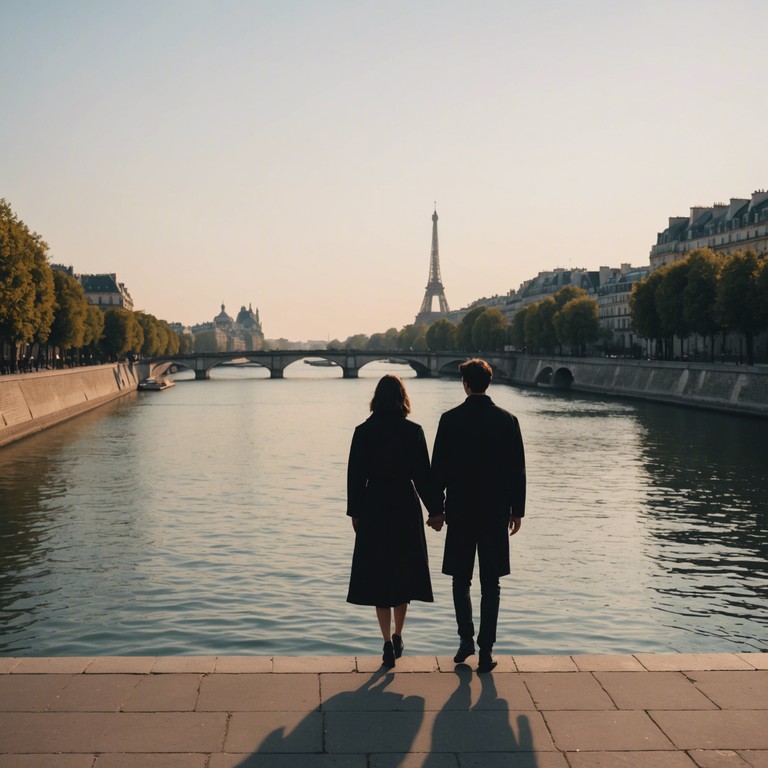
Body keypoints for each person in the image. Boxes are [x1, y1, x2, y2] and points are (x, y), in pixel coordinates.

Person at [430, 358, 526, 673]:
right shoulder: (508, 420)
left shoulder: (449, 419)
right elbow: (518, 471)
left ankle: (465, 639)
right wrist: (517, 510)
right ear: (488, 382)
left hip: (460, 510)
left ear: (466, 385)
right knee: (491, 582)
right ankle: (486, 650)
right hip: (495, 511)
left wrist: (436, 510)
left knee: (461, 579)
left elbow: (438, 471)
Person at [346, 374, 444, 668]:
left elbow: (354, 476)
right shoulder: (412, 431)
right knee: (403, 569)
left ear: (376, 398)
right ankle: (400, 634)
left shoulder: (363, 432)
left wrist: (355, 512)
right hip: (403, 502)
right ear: (403, 397)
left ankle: (386, 641)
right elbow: (423, 476)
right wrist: (436, 511)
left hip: (374, 502)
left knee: (378, 573)